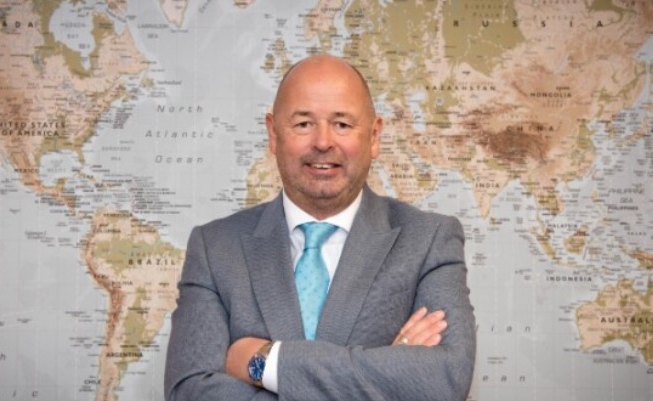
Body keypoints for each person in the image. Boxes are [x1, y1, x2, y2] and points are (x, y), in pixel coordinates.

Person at [164, 54, 475, 401]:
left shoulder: (429, 241)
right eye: (303, 124)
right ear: (273, 134)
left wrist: (267, 363)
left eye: (342, 124)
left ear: (374, 136)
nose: (323, 142)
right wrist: (389, 373)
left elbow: (445, 380)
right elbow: (189, 392)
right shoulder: (215, 248)